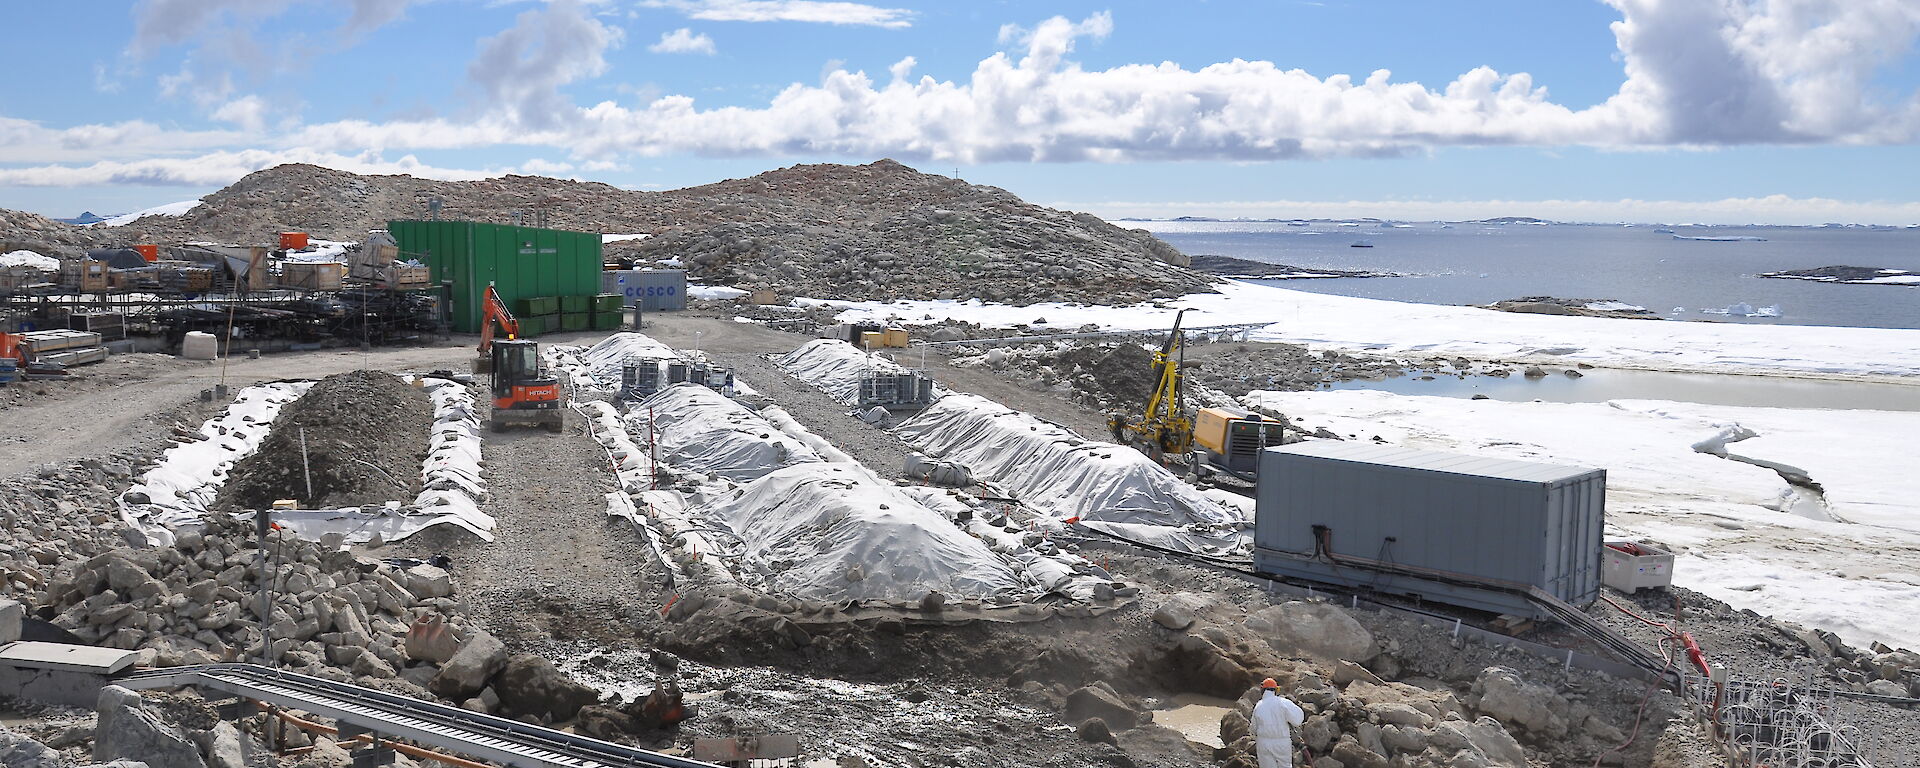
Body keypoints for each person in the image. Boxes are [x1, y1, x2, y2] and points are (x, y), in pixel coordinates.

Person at [1252, 677, 1305, 768]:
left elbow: (1253, 728)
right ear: (1276, 690)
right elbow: (1298, 720)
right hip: (1282, 743)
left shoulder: (1259, 706)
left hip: (1263, 743)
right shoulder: (1284, 703)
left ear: (1262, 690)